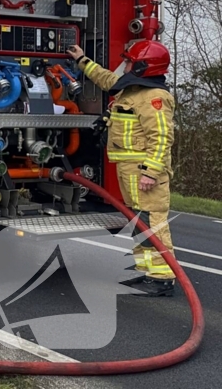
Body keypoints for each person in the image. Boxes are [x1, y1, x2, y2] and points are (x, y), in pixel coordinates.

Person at [66, 40, 176, 297]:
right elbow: (107, 79)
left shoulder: (154, 97)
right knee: (139, 222)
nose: (125, 65)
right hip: (131, 170)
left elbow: (161, 138)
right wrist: (82, 60)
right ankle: (148, 271)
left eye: (129, 62)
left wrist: (150, 172)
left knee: (151, 222)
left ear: (143, 67)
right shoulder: (132, 90)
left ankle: (162, 278)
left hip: (143, 172)